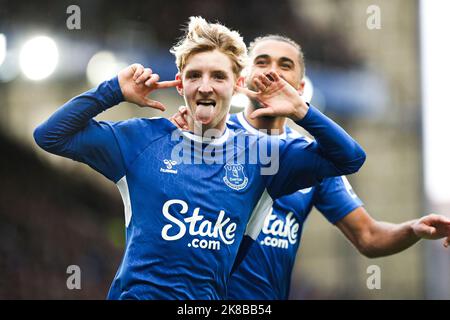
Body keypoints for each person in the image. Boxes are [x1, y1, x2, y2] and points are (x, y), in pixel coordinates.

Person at [33, 18, 366, 299]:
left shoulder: (265, 157)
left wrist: (302, 112)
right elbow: (50, 135)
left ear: (237, 85)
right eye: (194, 76)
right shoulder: (140, 140)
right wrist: (112, 91)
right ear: (180, 84)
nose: (205, 86)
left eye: (218, 77)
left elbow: (349, 157)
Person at [170, 34, 450, 300]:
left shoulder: (311, 159)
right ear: (242, 79)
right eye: (262, 61)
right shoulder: (209, 136)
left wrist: (413, 229)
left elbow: (368, 236)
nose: (273, 71)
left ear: (301, 88)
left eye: (285, 65)